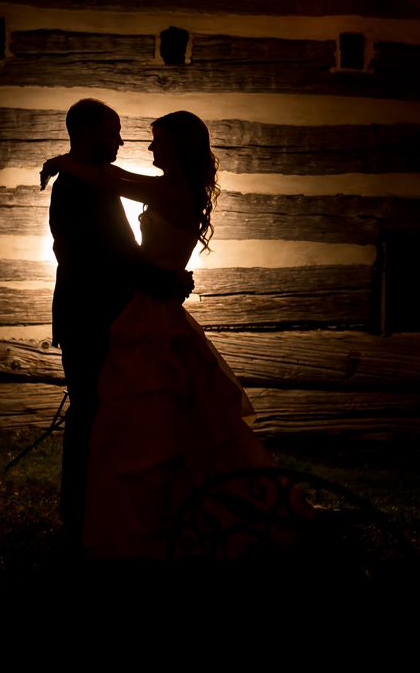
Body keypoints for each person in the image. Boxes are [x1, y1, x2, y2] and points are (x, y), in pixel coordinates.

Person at [40, 109, 277, 560]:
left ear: (179, 147)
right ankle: (106, 514)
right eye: (114, 133)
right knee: (136, 415)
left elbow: (117, 183)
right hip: (128, 309)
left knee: (148, 417)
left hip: (149, 313)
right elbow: (102, 242)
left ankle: (145, 516)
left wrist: (60, 161)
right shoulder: (107, 186)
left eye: (157, 141)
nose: (143, 147)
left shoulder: (165, 187)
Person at [46, 99, 193, 557]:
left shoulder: (95, 181)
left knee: (110, 415)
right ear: (88, 133)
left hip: (110, 316)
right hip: (91, 318)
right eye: (113, 132)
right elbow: (110, 255)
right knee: (92, 414)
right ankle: (82, 514)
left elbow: (121, 252)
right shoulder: (79, 186)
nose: (122, 141)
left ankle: (105, 511)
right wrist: (166, 281)